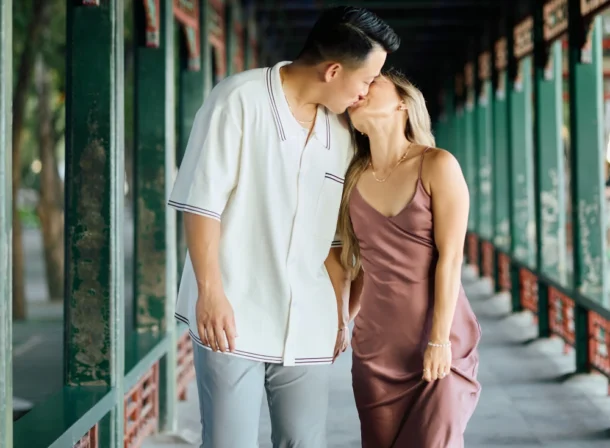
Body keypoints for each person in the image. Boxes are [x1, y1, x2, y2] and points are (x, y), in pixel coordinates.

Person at [167, 6, 399, 448]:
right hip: (232, 315)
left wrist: (338, 315)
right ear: (333, 70)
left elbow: (332, 242)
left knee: (304, 443)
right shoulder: (238, 98)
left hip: (308, 320)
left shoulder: (343, 134)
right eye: (366, 80)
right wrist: (210, 293)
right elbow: (201, 206)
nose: (366, 93)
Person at [338, 69, 482, 447]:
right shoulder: (352, 176)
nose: (362, 90)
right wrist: (340, 322)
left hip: (438, 341)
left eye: (374, 83)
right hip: (376, 350)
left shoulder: (437, 164)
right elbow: (364, 266)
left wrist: (439, 341)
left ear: (404, 101)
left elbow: (450, 259)